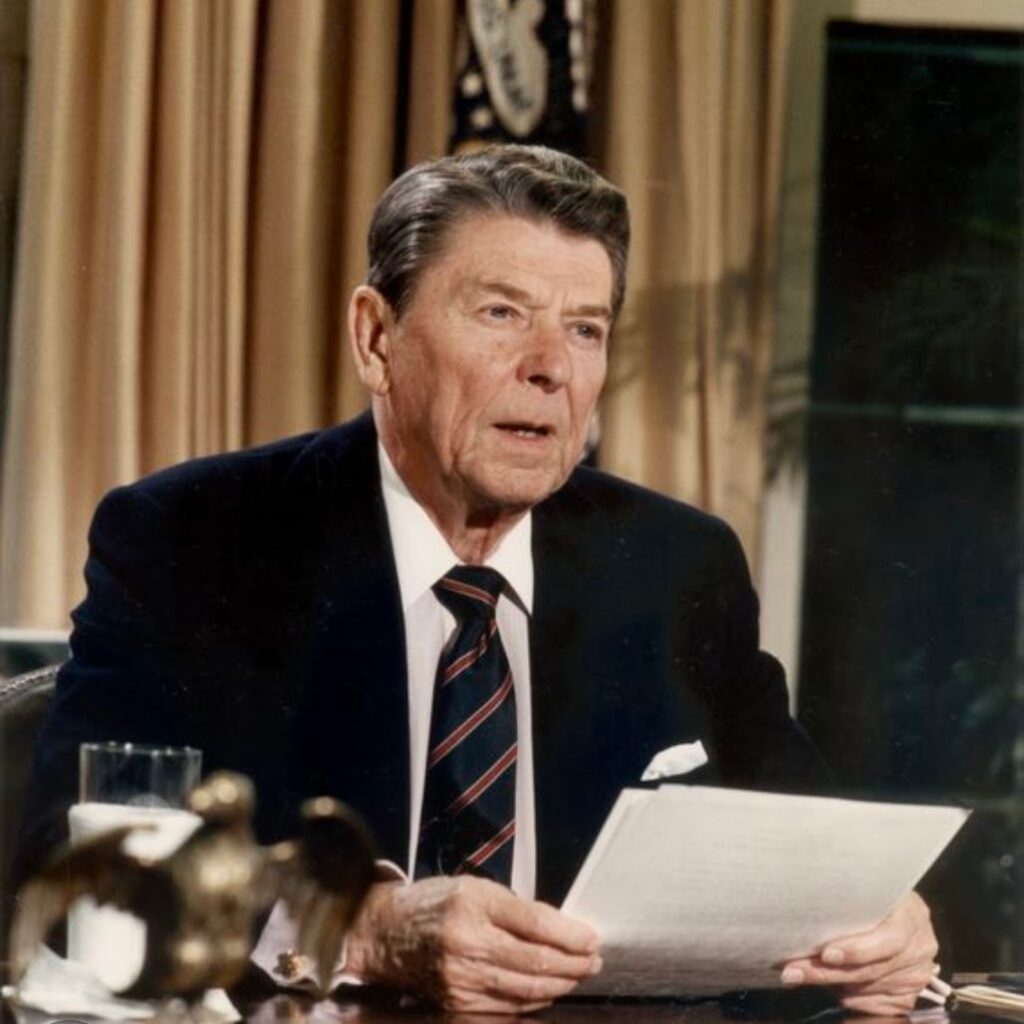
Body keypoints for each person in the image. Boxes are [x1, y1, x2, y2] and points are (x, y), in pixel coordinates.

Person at [18, 146, 937, 1015]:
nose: (551, 369)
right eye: (501, 314)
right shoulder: (194, 539)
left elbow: (814, 849)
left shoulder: (675, 565)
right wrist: (358, 928)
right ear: (376, 338)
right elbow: (72, 867)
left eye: (585, 329)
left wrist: (880, 924)